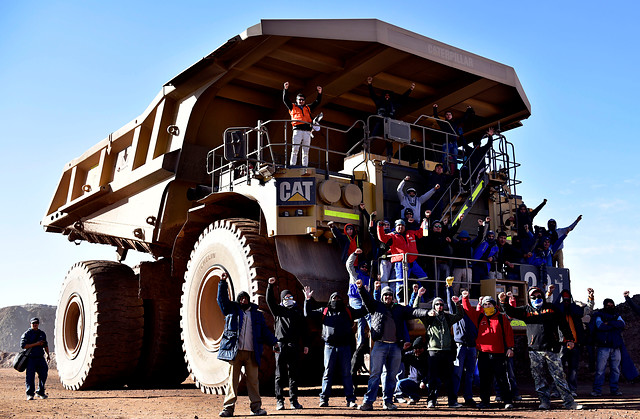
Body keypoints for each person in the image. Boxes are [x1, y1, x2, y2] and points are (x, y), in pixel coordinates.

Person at [499, 287, 583, 410]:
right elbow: (511, 312)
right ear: (529, 298)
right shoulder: (526, 311)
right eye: (533, 297)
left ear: (543, 297)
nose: (536, 299)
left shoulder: (552, 309)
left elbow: (563, 324)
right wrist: (503, 302)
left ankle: (569, 403)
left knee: (559, 376)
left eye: (539, 296)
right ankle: (544, 402)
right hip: (534, 350)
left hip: (552, 349)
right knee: (539, 378)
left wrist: (569, 339)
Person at [356, 281, 429, 411]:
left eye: (390, 295)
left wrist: (427, 313)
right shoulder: (376, 306)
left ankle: (388, 402)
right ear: (382, 297)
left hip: (395, 347)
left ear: (393, 296)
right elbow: (367, 299)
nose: (387, 297)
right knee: (375, 375)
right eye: (385, 295)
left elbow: (413, 311)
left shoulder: (399, 309)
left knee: (391, 376)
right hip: (380, 345)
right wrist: (361, 288)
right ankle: (368, 402)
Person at [217, 273, 278, 417]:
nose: (243, 300)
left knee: (253, 382)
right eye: (241, 298)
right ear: (238, 301)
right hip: (236, 352)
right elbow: (222, 300)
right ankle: (228, 409)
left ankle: (256, 408)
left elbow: (264, 331)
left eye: (246, 298)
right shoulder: (231, 310)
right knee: (233, 382)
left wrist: (274, 342)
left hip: (252, 353)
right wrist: (222, 282)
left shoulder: (257, 315)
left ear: (249, 300)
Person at [303, 285, 367, 408]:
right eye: (334, 298)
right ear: (330, 300)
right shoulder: (325, 311)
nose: (336, 300)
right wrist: (307, 299)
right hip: (329, 347)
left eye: (338, 299)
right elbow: (308, 314)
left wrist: (365, 294)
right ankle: (324, 399)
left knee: (347, 373)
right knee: (327, 373)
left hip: (345, 347)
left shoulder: (348, 311)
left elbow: (364, 310)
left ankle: (350, 399)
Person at [461, 293, 514, 409]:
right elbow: (468, 310)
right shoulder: (479, 317)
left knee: (502, 379)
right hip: (484, 354)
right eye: (485, 304)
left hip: (499, 354)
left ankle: (508, 401)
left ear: (494, 306)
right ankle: (485, 401)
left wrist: (510, 348)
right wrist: (465, 298)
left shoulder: (501, 318)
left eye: (489, 304)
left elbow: (509, 334)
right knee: (484, 379)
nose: (487, 306)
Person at [415, 287, 464, 408]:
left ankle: (452, 402)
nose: (439, 306)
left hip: (446, 352)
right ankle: (431, 401)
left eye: (441, 304)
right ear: (433, 306)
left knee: (449, 379)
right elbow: (415, 310)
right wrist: (418, 296)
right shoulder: (428, 317)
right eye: (437, 304)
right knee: (432, 378)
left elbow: (460, 315)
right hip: (433, 352)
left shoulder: (447, 317)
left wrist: (458, 303)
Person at [266, 277, 309, 410]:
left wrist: (306, 344)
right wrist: (270, 286)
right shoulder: (278, 310)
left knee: (293, 374)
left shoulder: (297, 311)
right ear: (282, 299)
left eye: (290, 297)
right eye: (286, 297)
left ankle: (294, 401)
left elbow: (304, 329)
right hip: (280, 345)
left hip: (294, 345)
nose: (288, 299)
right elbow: (269, 301)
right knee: (279, 375)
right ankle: (280, 401)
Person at [547, 286, 586, 396]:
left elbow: (588, 310)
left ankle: (572, 390)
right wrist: (549, 294)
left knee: (573, 369)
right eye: (564, 300)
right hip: (561, 344)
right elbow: (548, 305)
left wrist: (590, 298)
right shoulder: (556, 313)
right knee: (559, 369)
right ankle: (556, 390)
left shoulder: (576, 312)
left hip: (575, 345)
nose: (566, 302)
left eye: (568, 300)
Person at [377, 218, 428, 302]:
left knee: (424, 278)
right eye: (398, 225)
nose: (400, 227)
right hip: (401, 263)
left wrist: (424, 222)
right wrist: (380, 226)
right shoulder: (392, 236)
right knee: (401, 283)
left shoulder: (411, 233)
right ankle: (401, 301)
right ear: (395, 227)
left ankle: (422, 299)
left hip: (413, 262)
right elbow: (382, 238)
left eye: (402, 225)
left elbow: (421, 233)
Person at [445, 279, 478, 407]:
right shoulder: (458, 314)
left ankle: (468, 398)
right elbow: (449, 303)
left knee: (469, 375)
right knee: (457, 374)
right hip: (460, 347)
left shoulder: (473, 314)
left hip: (472, 347)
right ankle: (453, 400)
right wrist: (449, 287)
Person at [366, 76, 415, 158]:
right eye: (386, 95)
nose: (387, 97)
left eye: (388, 95)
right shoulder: (379, 102)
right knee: (372, 137)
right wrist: (369, 84)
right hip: (380, 122)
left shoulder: (394, 104)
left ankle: (389, 155)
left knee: (389, 140)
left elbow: (403, 98)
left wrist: (410, 89)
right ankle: (365, 149)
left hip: (389, 124)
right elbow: (372, 95)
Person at [590, 298, 625, 396]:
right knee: (600, 370)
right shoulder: (599, 315)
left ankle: (614, 390)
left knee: (616, 370)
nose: (610, 307)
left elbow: (622, 324)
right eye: (608, 305)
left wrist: (609, 323)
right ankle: (597, 390)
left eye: (612, 305)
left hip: (616, 347)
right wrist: (614, 325)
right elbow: (600, 326)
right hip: (603, 346)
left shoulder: (617, 315)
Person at [282, 81, 322, 167]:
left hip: (307, 131)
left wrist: (319, 93)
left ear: (304, 101)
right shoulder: (292, 107)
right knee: (295, 149)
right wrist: (285, 89)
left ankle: (305, 166)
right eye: (299, 99)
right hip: (297, 130)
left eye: (302, 100)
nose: (301, 101)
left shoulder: (308, 108)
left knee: (306, 151)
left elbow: (317, 102)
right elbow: (285, 100)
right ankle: (292, 165)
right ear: (296, 100)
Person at [433, 104, 474, 174]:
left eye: (450, 114)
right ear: (445, 116)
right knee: (445, 157)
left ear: (452, 116)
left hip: (454, 143)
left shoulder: (455, 123)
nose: (448, 115)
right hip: (446, 142)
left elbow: (464, 118)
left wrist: (469, 110)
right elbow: (436, 117)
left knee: (454, 158)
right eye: (447, 114)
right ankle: (445, 170)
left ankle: (453, 172)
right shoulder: (443, 123)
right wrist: (435, 108)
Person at [20, 317, 50, 400]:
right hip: (30, 358)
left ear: (38, 324)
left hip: (40, 357)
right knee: (30, 377)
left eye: (36, 323)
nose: (35, 324)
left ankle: (40, 392)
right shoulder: (27, 334)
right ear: (30, 324)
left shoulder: (42, 333)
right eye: (33, 323)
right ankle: (30, 394)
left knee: (44, 374)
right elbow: (23, 346)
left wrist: (48, 354)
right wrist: (36, 344)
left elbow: (45, 345)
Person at [395, 336, 429, 404]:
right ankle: (414, 397)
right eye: (415, 348)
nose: (417, 350)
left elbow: (432, 372)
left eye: (420, 348)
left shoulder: (428, 357)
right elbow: (399, 358)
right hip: (413, 381)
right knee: (400, 384)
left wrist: (424, 381)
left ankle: (432, 399)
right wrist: (403, 349)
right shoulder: (411, 355)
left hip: (426, 381)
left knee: (435, 382)